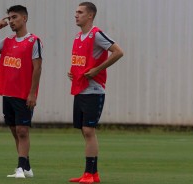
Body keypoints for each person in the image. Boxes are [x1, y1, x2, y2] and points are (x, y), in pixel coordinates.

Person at [0, 5, 43, 179]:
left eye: (14, 17)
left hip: (23, 95)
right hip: (7, 94)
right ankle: (27, 167)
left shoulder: (34, 41)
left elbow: (37, 68)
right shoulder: (7, 41)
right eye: (9, 18)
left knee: (23, 130)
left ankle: (20, 168)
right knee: (15, 131)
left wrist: (32, 93)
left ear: (24, 18)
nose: (11, 21)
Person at [68, 2, 123, 183]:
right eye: (76, 12)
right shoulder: (78, 36)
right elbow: (82, 61)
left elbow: (118, 52)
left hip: (94, 90)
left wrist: (97, 70)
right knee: (84, 131)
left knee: (88, 130)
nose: (76, 15)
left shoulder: (96, 34)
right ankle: (93, 174)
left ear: (90, 16)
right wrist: (73, 72)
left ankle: (88, 174)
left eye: (80, 12)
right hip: (80, 89)